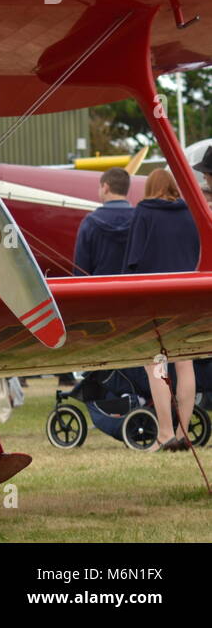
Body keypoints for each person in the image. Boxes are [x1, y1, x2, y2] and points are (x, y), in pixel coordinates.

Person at [124, 168, 199, 451]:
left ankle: (165, 433)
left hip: (154, 296)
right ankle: (185, 433)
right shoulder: (190, 211)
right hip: (186, 293)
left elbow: (133, 258)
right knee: (185, 363)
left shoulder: (144, 212)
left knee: (156, 363)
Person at [73, 167, 135, 275]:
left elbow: (80, 267)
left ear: (105, 187)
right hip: (134, 288)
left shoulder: (90, 222)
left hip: (99, 289)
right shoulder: (140, 221)